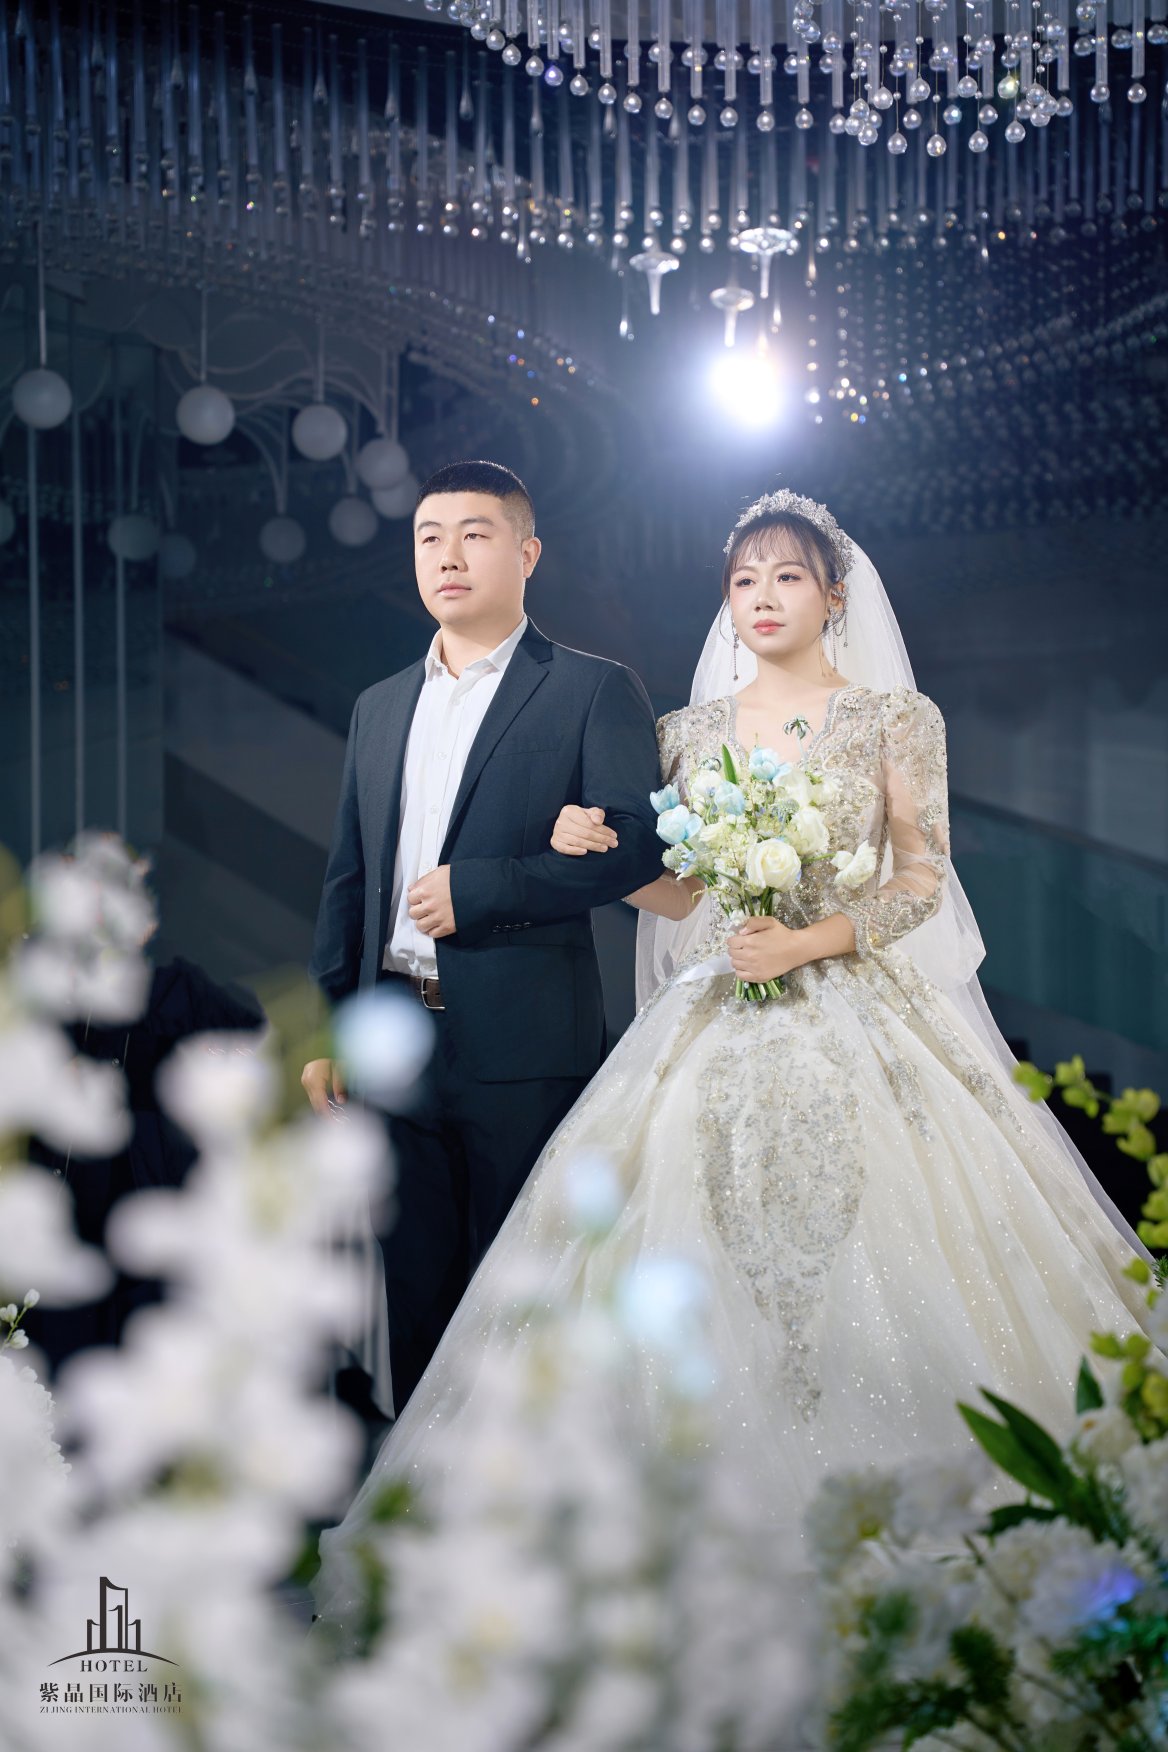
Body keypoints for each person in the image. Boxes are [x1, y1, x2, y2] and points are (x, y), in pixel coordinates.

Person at [312, 488, 1150, 1636]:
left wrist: (812, 937)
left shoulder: (895, 719)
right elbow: (676, 891)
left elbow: (921, 877)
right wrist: (594, 848)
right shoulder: (687, 733)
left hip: (855, 1004)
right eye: (744, 580)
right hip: (716, 1008)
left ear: (832, 596)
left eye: (786, 577)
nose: (762, 597)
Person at [303, 459, 663, 1415]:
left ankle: (527, 1493)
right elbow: (349, 877)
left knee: (524, 1303)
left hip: (526, 1043)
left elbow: (638, 848)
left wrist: (486, 888)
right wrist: (332, 1026)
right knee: (414, 1295)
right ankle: (420, 1495)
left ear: (527, 553)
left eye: (475, 534)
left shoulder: (591, 688)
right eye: (430, 537)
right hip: (392, 1042)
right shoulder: (380, 704)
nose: (448, 556)